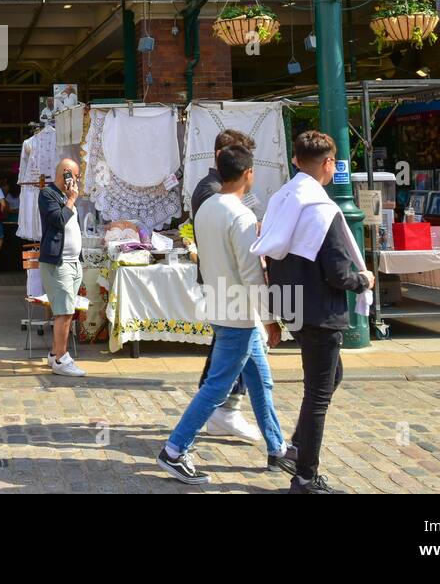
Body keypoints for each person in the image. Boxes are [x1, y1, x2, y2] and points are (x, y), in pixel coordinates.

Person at [156, 146, 296, 484]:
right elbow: (251, 274)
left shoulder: (208, 209)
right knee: (218, 386)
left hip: (221, 303)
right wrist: (269, 317)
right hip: (239, 311)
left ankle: (277, 446)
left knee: (260, 382)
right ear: (248, 173)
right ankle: (174, 449)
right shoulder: (241, 215)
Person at [252, 130, 375, 495]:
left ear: (295, 160)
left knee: (330, 375)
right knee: (318, 395)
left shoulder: (282, 198)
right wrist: (363, 280)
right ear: (328, 165)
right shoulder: (322, 208)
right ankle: (305, 476)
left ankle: (296, 448)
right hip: (320, 310)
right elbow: (338, 275)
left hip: (293, 304)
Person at [188, 129, 265, 443]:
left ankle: (270, 440)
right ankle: (180, 443)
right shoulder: (213, 192)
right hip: (228, 284)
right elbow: (226, 244)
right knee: (225, 363)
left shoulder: (217, 190)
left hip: (228, 284)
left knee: (233, 356)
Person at [37, 158, 85, 377]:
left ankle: (55, 353)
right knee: (64, 312)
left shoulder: (66, 196)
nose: (77, 180)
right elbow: (58, 220)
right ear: (65, 174)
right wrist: (72, 199)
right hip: (58, 262)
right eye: (75, 175)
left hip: (73, 262)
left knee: (67, 311)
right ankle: (61, 359)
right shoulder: (47, 194)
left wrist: (71, 198)